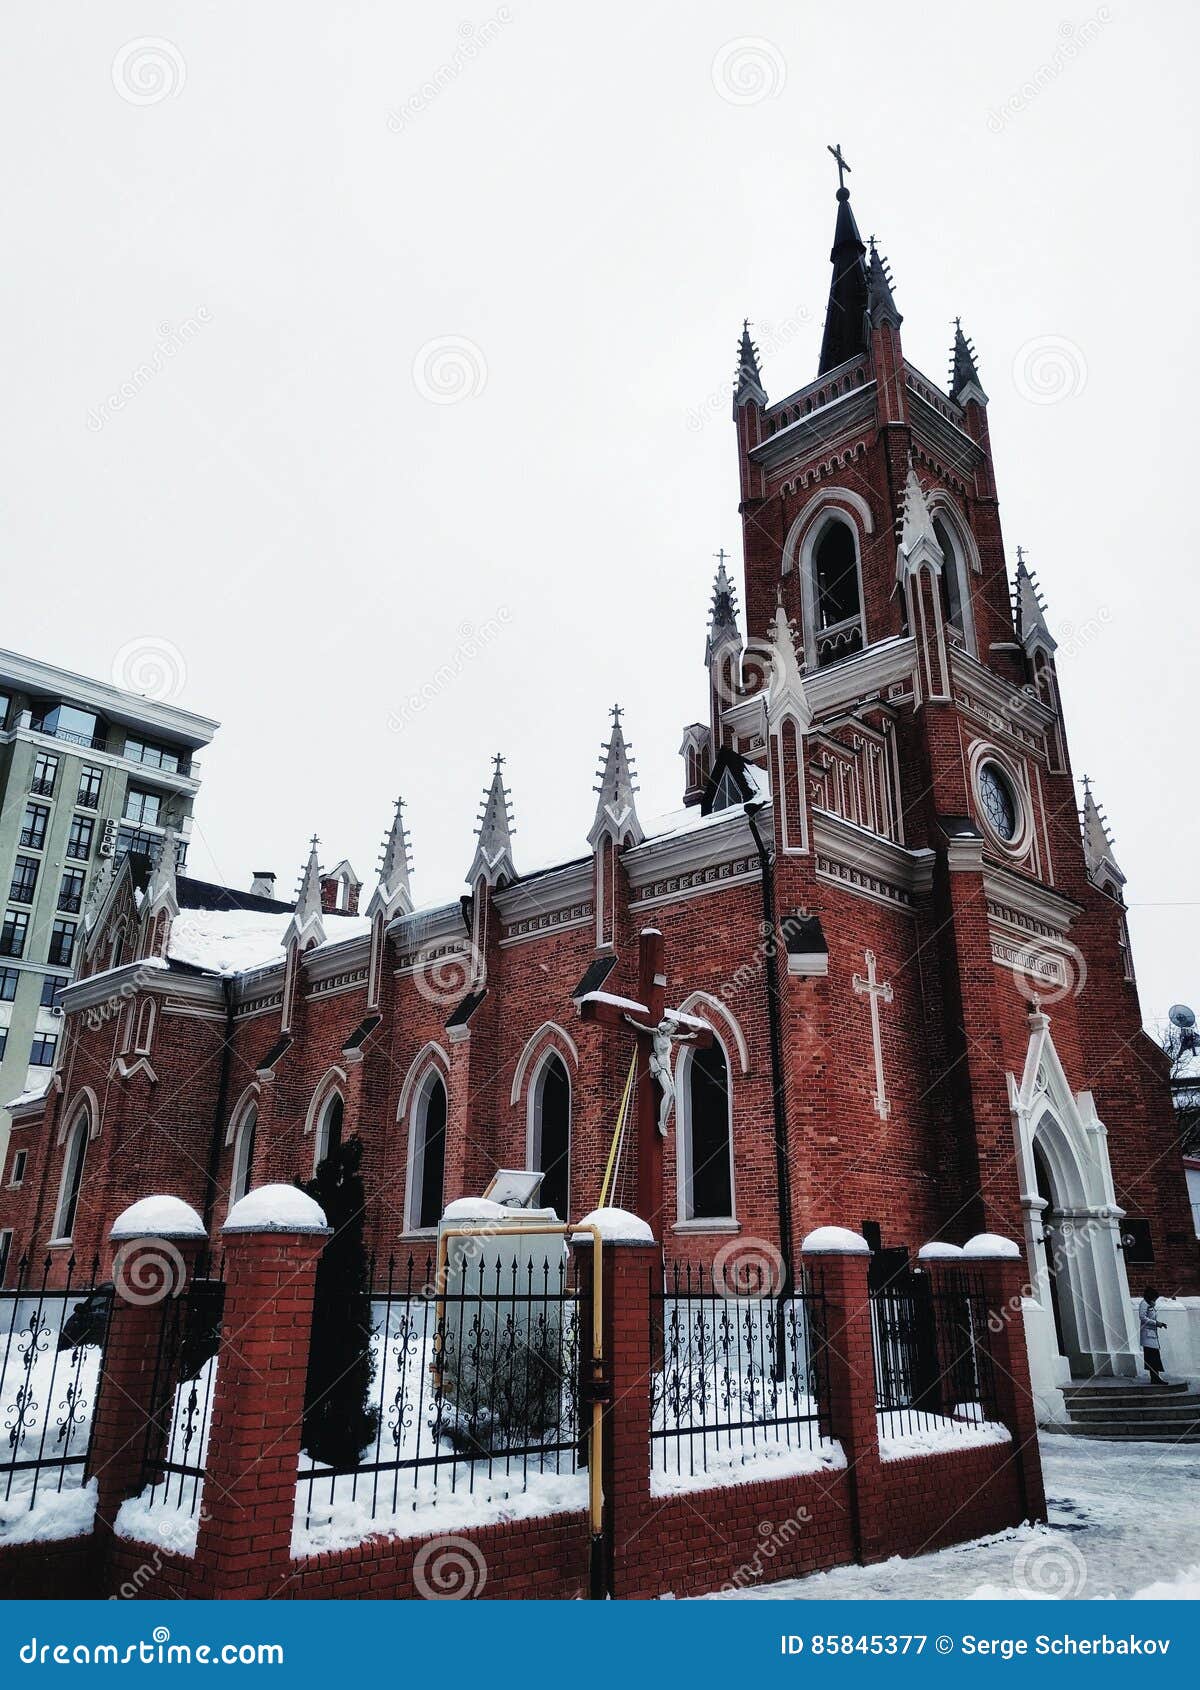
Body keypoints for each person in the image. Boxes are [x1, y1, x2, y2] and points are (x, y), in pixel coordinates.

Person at [1139, 1287, 1169, 1384]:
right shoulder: (1144, 1304)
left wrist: (1159, 1323)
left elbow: (1151, 1316)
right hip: (1147, 1335)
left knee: (1154, 1357)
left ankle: (1155, 1377)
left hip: (1152, 1335)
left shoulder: (1149, 1304)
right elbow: (1143, 1318)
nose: (1155, 1300)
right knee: (1152, 1357)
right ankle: (1155, 1378)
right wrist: (1156, 1323)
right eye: (1154, 1298)